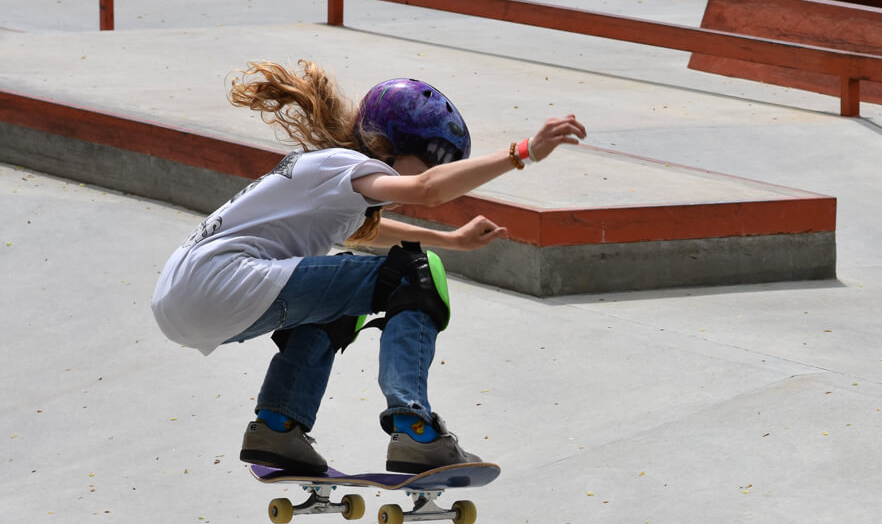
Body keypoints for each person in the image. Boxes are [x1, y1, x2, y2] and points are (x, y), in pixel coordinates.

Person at [151, 60, 586, 475]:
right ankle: (415, 428)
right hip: (221, 279)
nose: (440, 174)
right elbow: (426, 190)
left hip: (186, 300)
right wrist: (523, 152)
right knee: (415, 273)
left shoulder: (328, 176)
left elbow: (367, 233)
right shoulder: (344, 165)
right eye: (435, 160)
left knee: (345, 293)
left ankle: (278, 427)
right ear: (393, 145)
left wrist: (452, 240)